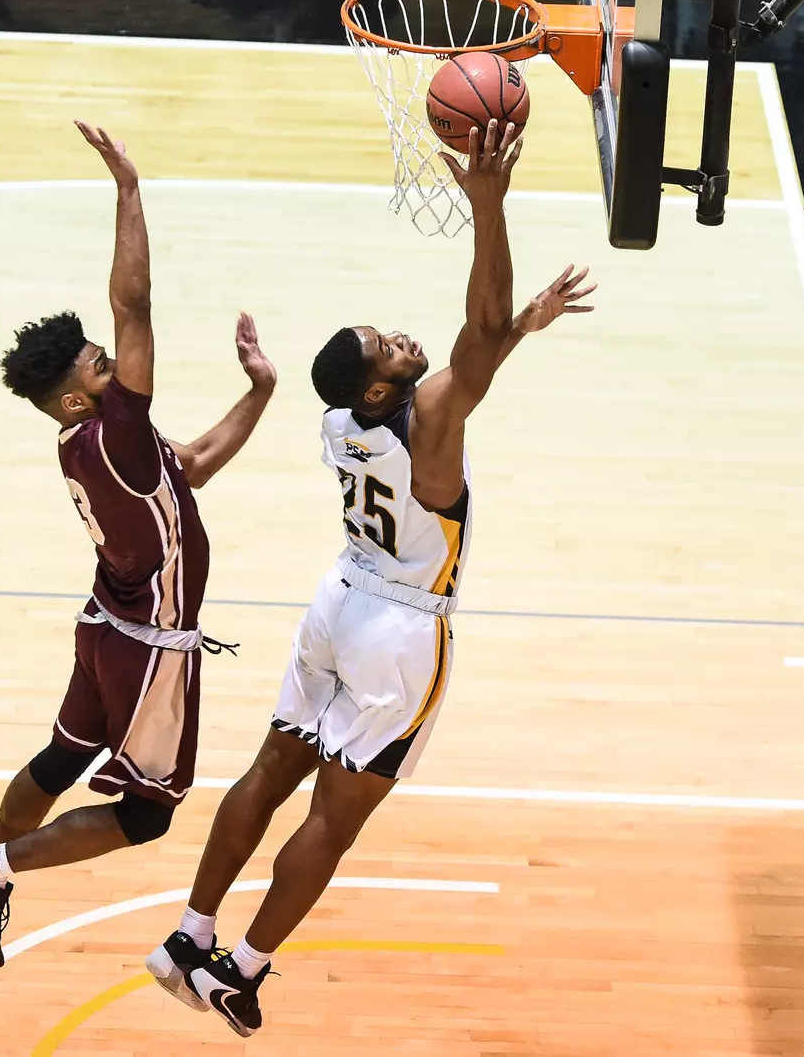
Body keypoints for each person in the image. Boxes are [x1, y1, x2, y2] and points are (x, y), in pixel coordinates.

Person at [146, 120, 596, 1035]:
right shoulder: (424, 424)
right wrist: (488, 204)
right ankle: (241, 969)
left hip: (336, 603)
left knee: (272, 765)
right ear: (383, 390)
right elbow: (470, 342)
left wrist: (518, 331)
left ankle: (188, 938)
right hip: (398, 634)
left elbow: (468, 361)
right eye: (385, 346)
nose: (398, 338)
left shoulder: (340, 424)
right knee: (336, 816)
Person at [0, 121, 278, 968]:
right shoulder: (117, 433)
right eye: (101, 370)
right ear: (76, 400)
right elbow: (133, 304)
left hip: (104, 624)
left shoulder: (92, 442)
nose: (118, 371)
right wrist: (129, 190)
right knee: (145, 814)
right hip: (147, 650)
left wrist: (260, 390)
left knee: (62, 754)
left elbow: (199, 467)